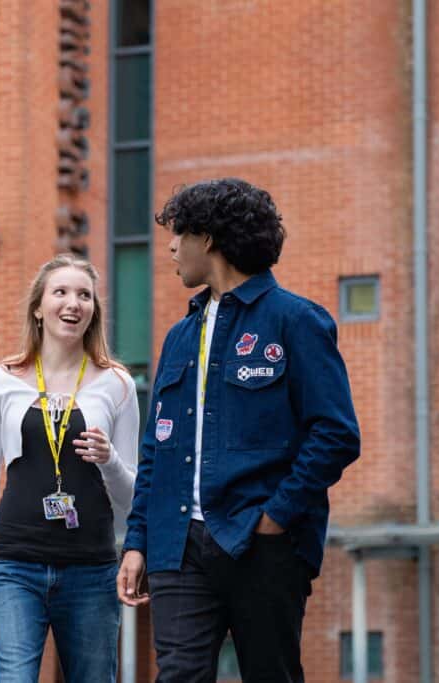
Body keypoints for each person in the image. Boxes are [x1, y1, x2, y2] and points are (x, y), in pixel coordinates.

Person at [117, 178, 360, 683]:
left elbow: (336, 433)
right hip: (177, 546)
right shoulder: (179, 336)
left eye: (179, 234)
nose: (170, 247)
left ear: (207, 238)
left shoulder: (296, 321)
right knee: (178, 675)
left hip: (261, 543)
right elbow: (156, 448)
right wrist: (138, 540)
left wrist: (275, 517)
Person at [0, 254, 139, 683]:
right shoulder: (0, 379)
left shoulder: (118, 383)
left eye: (84, 295)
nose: (73, 303)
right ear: (38, 307)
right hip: (15, 563)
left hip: (91, 567)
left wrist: (109, 460)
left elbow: (132, 498)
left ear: (93, 310)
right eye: (60, 292)